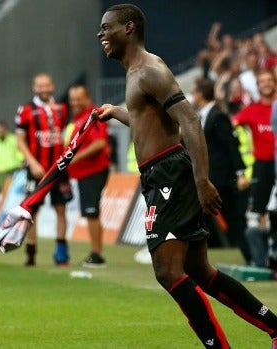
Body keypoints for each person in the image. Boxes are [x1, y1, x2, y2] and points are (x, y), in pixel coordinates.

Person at [94, 5, 277, 347]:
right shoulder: (134, 72)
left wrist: (201, 180)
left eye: (107, 28)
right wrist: (117, 112)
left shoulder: (150, 70)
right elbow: (150, 124)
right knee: (200, 272)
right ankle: (275, 328)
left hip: (170, 175)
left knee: (167, 271)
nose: (101, 34)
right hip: (159, 175)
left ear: (129, 28)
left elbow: (189, 121)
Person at [192, 77, 251, 262]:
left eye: (194, 91)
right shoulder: (203, 115)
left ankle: (254, 258)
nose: (193, 95)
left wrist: (240, 173)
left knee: (235, 221)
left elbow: (231, 146)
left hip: (222, 180)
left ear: (200, 94)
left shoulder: (217, 116)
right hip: (210, 179)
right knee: (198, 215)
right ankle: (191, 256)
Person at [16, 73, 72, 266]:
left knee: (61, 209)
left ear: (52, 86)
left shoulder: (62, 109)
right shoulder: (25, 110)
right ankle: (31, 253)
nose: (43, 89)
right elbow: (20, 141)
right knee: (31, 212)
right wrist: (32, 162)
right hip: (36, 169)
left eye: (46, 85)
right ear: (34, 88)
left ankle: (61, 253)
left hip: (58, 169)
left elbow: (65, 135)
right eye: (39, 86)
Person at [64, 85, 110, 268]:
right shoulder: (79, 118)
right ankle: (96, 253)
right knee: (91, 213)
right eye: (72, 99)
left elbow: (99, 143)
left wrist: (73, 158)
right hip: (85, 172)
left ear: (88, 97)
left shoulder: (94, 115)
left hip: (94, 170)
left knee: (92, 213)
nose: (74, 102)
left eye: (78, 99)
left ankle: (97, 255)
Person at [232, 70, 277, 248]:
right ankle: (269, 251)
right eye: (262, 81)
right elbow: (232, 124)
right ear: (257, 86)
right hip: (263, 165)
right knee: (261, 208)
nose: (266, 83)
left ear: (274, 83)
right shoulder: (251, 111)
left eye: (269, 80)